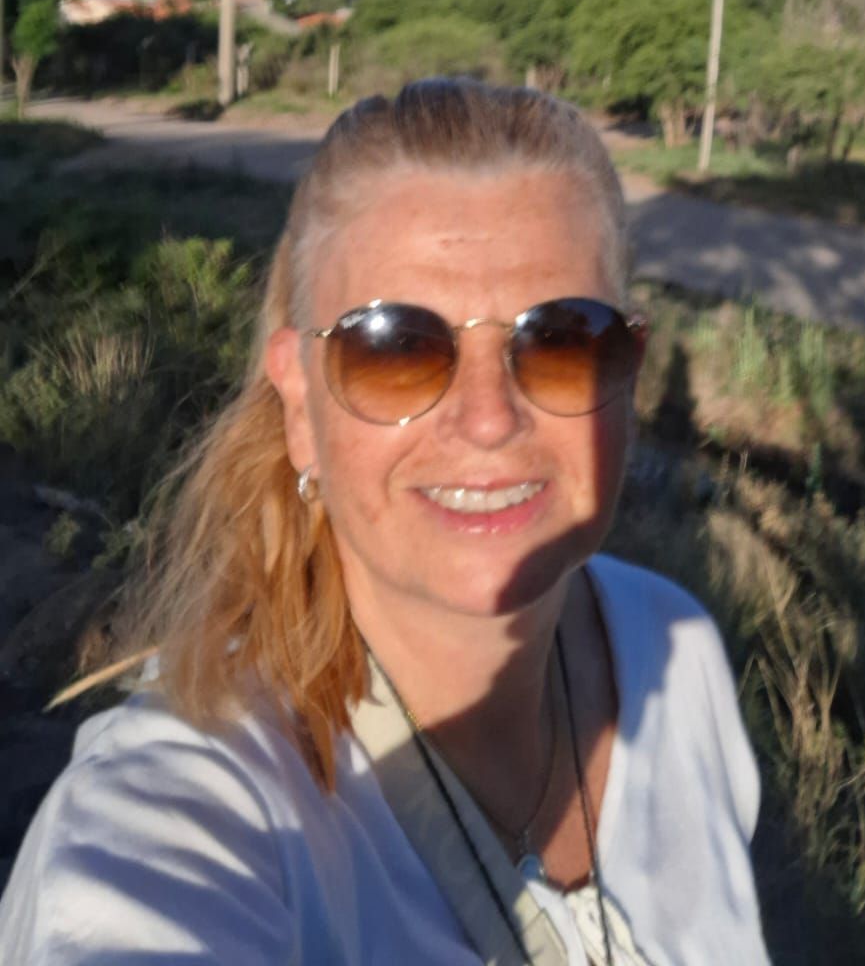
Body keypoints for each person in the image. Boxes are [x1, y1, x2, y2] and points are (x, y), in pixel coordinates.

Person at [0, 80, 770, 964]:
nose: (489, 419)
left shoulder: (675, 649)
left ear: (629, 369)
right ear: (299, 403)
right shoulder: (177, 821)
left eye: (562, 340)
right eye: (396, 348)